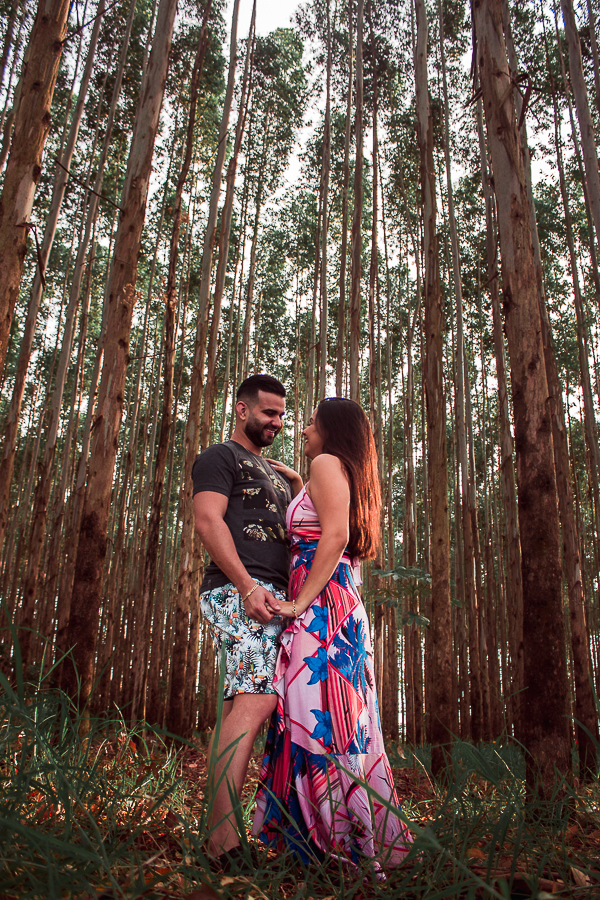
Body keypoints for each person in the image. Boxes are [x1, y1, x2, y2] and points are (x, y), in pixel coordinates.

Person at [252, 397, 413, 872]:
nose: (302, 430)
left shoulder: (327, 462)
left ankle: (329, 845)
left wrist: (300, 604)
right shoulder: (339, 470)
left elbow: (336, 536)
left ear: (329, 428)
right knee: (330, 717)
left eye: (310, 422)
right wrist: (299, 487)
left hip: (323, 610)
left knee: (314, 716)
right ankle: (329, 841)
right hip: (338, 604)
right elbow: (327, 523)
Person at [192, 374, 292, 865]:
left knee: (237, 709)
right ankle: (224, 844)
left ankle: (217, 836)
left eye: (281, 414)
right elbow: (208, 521)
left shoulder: (271, 470)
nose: (278, 422)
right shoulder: (219, 457)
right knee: (257, 703)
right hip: (243, 590)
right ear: (241, 409)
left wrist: (293, 481)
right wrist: (247, 586)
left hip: (267, 594)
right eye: (269, 413)